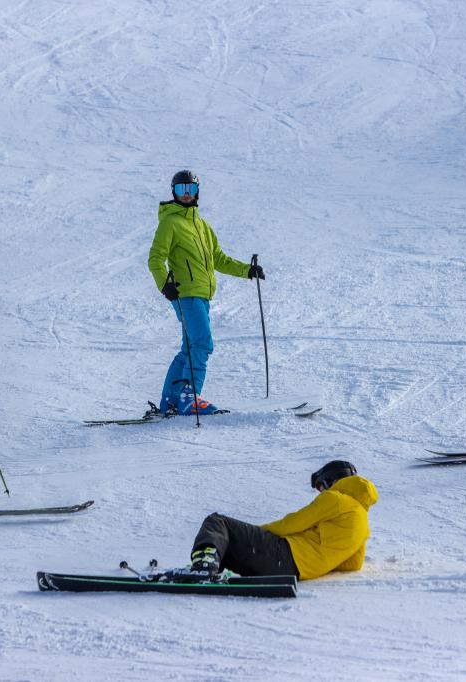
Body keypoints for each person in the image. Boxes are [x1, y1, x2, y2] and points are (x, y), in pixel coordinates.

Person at [147, 170, 266, 416]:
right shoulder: (170, 222)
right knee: (202, 344)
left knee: (189, 349)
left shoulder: (202, 226)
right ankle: (189, 397)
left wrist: (248, 271)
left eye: (190, 189)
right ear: (174, 192)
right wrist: (164, 285)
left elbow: (218, 259)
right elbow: (155, 258)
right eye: (181, 190)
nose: (187, 194)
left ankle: (170, 400)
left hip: (202, 295)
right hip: (184, 294)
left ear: (197, 191)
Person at [183, 460, 378, 581]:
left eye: (321, 487)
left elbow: (292, 524)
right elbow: (353, 564)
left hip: (284, 555)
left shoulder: (336, 499)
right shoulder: (362, 523)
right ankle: (210, 563)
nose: (322, 492)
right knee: (231, 545)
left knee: (218, 522)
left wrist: (256, 533)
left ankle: (204, 567)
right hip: (292, 571)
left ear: (333, 481)